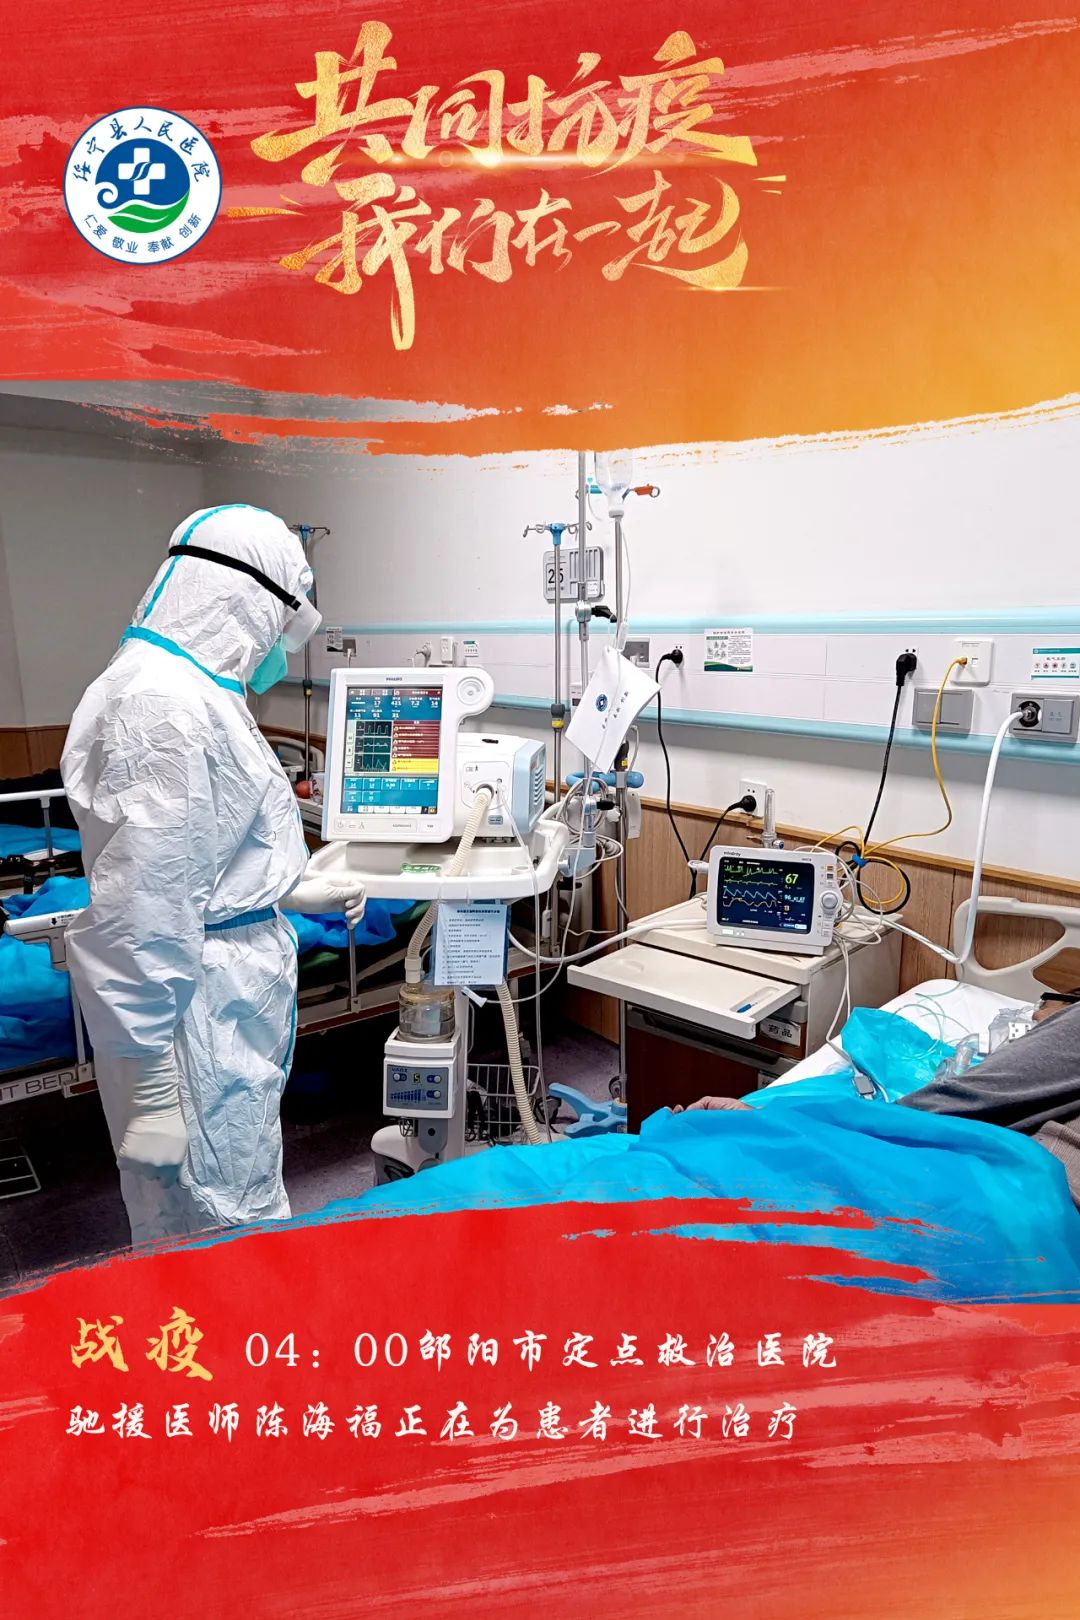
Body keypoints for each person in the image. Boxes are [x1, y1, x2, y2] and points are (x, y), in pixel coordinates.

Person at [61, 505, 366, 1245]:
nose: (279, 650)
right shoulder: (162, 707)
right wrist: (151, 1091)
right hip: (190, 1019)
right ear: (248, 602)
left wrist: (288, 886)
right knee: (218, 1218)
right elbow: (141, 915)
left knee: (223, 1201)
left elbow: (206, 847)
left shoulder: (194, 690)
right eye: (284, 625)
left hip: (216, 997)